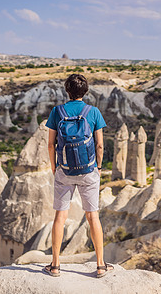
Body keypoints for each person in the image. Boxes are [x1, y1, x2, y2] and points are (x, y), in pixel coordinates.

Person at [44, 74, 114, 278]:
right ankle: (100, 265)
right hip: (89, 170)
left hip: (64, 170)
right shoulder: (93, 112)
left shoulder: (57, 112)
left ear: (67, 91)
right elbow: (100, 145)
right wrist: (98, 167)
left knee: (60, 216)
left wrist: (54, 167)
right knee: (93, 217)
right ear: (86, 91)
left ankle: (55, 265)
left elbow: (51, 144)